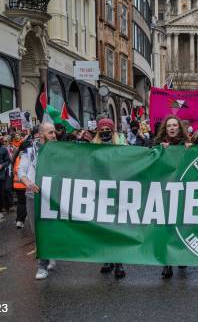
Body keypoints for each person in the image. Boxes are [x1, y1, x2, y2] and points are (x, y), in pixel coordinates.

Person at [153, 115, 192, 278]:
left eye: (175, 125)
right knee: (166, 227)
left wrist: (192, 150)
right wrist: (159, 150)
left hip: (182, 191)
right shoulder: (157, 144)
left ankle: (180, 256)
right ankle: (167, 263)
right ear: (165, 128)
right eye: (169, 125)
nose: (172, 128)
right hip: (164, 191)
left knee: (180, 226)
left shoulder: (188, 145)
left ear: (179, 127)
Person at [18, 122, 58, 280]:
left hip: (53, 196)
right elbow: (21, 170)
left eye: (54, 132)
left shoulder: (61, 151)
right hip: (33, 196)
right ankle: (47, 255)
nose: (54, 135)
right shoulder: (29, 151)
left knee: (49, 229)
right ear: (41, 135)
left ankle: (42, 265)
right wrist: (28, 183)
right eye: (50, 133)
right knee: (37, 232)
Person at [90, 118, 127, 278]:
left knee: (117, 228)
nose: (105, 131)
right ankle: (107, 259)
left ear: (113, 130)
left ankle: (118, 262)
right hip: (100, 193)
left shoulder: (122, 144)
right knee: (103, 228)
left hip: (118, 192)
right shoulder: (92, 147)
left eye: (108, 128)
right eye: (102, 128)